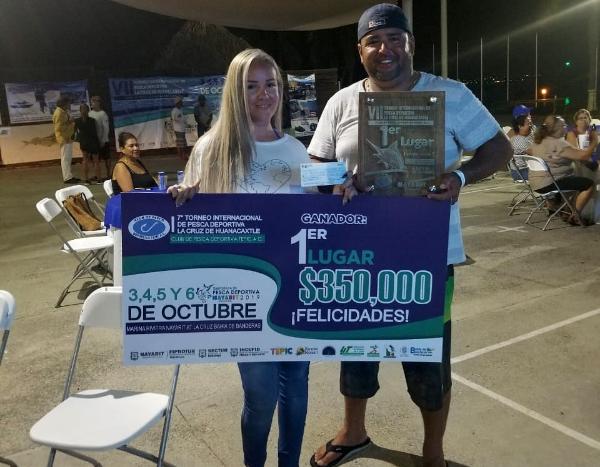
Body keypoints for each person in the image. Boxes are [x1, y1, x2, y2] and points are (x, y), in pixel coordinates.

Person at [307, 4, 512, 467]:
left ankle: (432, 453)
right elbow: (315, 163)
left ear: (411, 44)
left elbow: (499, 148)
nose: (385, 50)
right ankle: (353, 432)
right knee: (357, 349)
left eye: (395, 39)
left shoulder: (451, 94)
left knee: (428, 359)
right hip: (357, 254)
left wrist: (461, 177)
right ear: (360, 50)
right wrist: (337, 180)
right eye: (374, 41)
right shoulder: (342, 102)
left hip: (428, 255)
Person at [169, 48, 310, 467]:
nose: (264, 94)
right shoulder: (212, 148)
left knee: (296, 390)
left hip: (296, 291)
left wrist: (345, 192)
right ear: (234, 91)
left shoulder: (296, 150)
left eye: (271, 84)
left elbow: (319, 214)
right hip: (244, 297)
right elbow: (192, 218)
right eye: (251, 86)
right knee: (261, 396)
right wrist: (183, 199)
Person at [528, 115, 598, 226]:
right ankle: (575, 216)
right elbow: (583, 156)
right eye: (564, 125)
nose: (566, 127)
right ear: (557, 129)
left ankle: (565, 211)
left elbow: (531, 152)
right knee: (589, 184)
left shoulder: (538, 141)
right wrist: (595, 141)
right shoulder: (558, 143)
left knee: (574, 179)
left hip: (535, 183)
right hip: (551, 182)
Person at [53, 96, 79, 184]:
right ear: (63, 103)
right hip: (64, 138)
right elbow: (58, 128)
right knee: (65, 158)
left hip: (68, 137)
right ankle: (67, 177)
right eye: (68, 103)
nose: (69, 104)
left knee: (68, 158)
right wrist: (70, 122)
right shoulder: (59, 113)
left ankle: (69, 175)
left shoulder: (63, 112)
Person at [74, 103, 101, 184]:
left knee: (85, 160)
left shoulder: (77, 121)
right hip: (93, 142)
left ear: (80, 111)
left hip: (84, 142)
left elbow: (75, 133)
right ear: (88, 110)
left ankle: (86, 180)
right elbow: (95, 132)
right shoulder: (92, 121)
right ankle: (99, 179)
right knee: (96, 161)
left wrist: (79, 139)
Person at [509, 106, 535, 180]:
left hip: (529, 166)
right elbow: (537, 153)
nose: (530, 117)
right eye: (528, 114)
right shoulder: (518, 140)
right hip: (521, 171)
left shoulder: (531, 130)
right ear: (520, 126)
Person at [89, 95, 112, 180]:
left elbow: (106, 128)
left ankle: (109, 174)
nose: (93, 103)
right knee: (95, 159)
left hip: (103, 140)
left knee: (107, 158)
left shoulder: (103, 114)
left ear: (98, 103)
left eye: (94, 102)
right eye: (92, 102)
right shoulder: (89, 113)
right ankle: (97, 175)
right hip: (94, 141)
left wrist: (103, 140)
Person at [171, 96, 188, 160]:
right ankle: (182, 156)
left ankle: (181, 155)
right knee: (181, 144)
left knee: (181, 143)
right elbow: (174, 119)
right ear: (177, 103)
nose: (182, 103)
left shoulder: (180, 110)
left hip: (182, 129)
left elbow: (181, 118)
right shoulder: (174, 110)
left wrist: (184, 120)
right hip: (178, 129)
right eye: (181, 102)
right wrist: (181, 119)